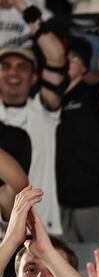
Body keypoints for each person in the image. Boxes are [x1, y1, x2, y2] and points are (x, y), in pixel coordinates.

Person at [0, 12, 68, 234]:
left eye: (22, 67)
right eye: (6, 66)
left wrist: (21, 6)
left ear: (34, 76)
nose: (13, 72)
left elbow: (57, 57)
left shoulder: (44, 110)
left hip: (42, 229)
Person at [56, 36, 99, 244]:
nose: (66, 62)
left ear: (84, 66)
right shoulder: (49, 99)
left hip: (93, 198)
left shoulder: (91, 92)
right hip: (59, 200)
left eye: (72, 58)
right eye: (63, 57)